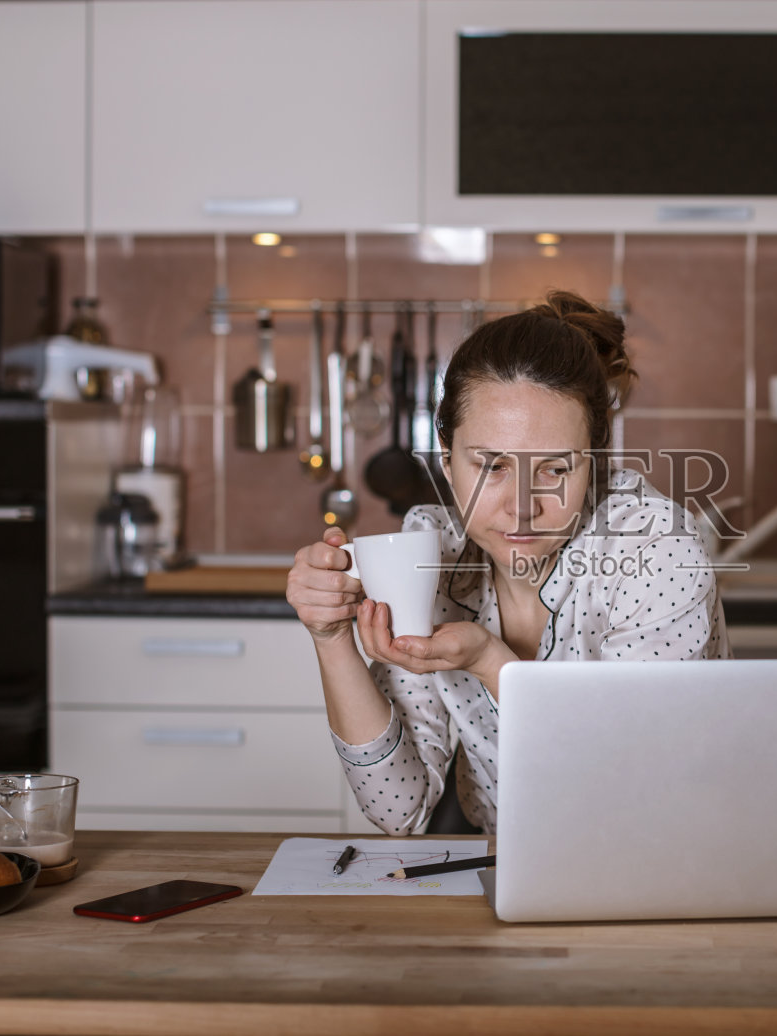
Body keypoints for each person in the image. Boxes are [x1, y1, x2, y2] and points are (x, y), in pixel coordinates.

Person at [286, 290, 732, 836]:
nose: (522, 506)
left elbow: (629, 796)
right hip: (505, 863)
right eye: (492, 465)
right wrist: (331, 640)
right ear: (447, 463)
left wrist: (490, 662)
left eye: (555, 469)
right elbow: (398, 811)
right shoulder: (432, 548)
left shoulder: (655, 549)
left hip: (666, 858)